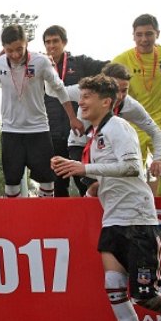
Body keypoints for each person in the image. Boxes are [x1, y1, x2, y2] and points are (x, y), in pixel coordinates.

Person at [51, 74, 161, 321]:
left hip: (137, 221)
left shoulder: (118, 127)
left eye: (88, 96)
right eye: (81, 96)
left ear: (106, 102)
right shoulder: (96, 133)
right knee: (114, 289)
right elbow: (111, 173)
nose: (82, 102)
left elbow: (133, 167)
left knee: (144, 295)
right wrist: (94, 187)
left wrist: (84, 167)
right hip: (112, 221)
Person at [0, 25, 83, 197]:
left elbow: (59, 88)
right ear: (3, 47)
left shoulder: (40, 61)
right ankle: (14, 221)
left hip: (39, 129)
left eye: (19, 49)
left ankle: (43, 218)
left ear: (27, 43)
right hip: (10, 130)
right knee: (11, 183)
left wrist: (72, 117)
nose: (15, 54)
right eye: (9, 50)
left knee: (48, 181)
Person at [112, 14, 161, 196]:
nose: (144, 39)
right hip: (134, 124)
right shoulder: (121, 60)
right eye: (139, 35)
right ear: (133, 36)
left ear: (157, 34)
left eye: (149, 34)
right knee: (132, 172)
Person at [66, 63, 161, 193]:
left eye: (124, 90)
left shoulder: (127, 113)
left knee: (103, 187)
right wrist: (72, 117)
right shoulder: (83, 90)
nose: (119, 96)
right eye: (115, 89)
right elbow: (56, 90)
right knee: (94, 189)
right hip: (81, 145)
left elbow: (155, 131)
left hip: (106, 148)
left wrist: (157, 157)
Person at [42, 25, 108, 196]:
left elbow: (109, 67)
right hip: (51, 132)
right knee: (58, 185)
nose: (51, 45)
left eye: (55, 41)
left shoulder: (80, 63)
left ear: (64, 42)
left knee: (85, 182)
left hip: (79, 132)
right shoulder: (39, 66)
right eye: (47, 42)